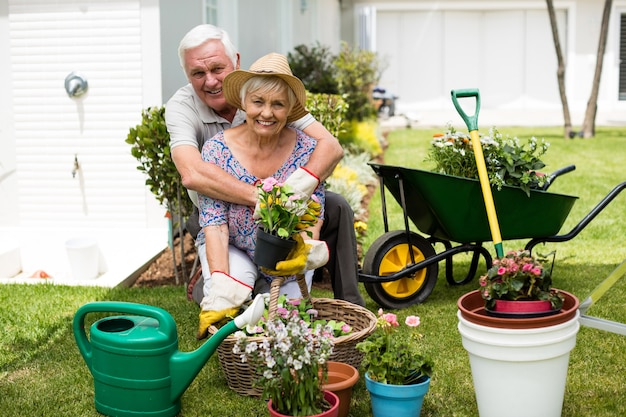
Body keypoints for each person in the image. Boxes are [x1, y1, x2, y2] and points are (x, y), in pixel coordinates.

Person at [165, 24, 365, 309]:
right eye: (198, 73)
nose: (210, 81)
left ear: (235, 61)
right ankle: (218, 283)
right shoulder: (183, 108)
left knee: (336, 206)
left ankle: (350, 303)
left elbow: (329, 147)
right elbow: (192, 173)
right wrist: (264, 198)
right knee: (229, 278)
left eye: (217, 69)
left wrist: (299, 187)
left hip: (283, 206)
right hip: (217, 205)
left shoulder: (268, 89)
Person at [194, 53, 331, 338]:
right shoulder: (216, 150)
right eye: (258, 102)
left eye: (278, 104)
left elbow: (311, 211)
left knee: (290, 320)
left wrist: (302, 251)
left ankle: (265, 293)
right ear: (244, 103)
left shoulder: (307, 148)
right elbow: (215, 223)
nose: (267, 113)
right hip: (234, 245)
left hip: (287, 250)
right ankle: (229, 287)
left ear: (290, 108)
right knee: (231, 299)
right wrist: (221, 284)